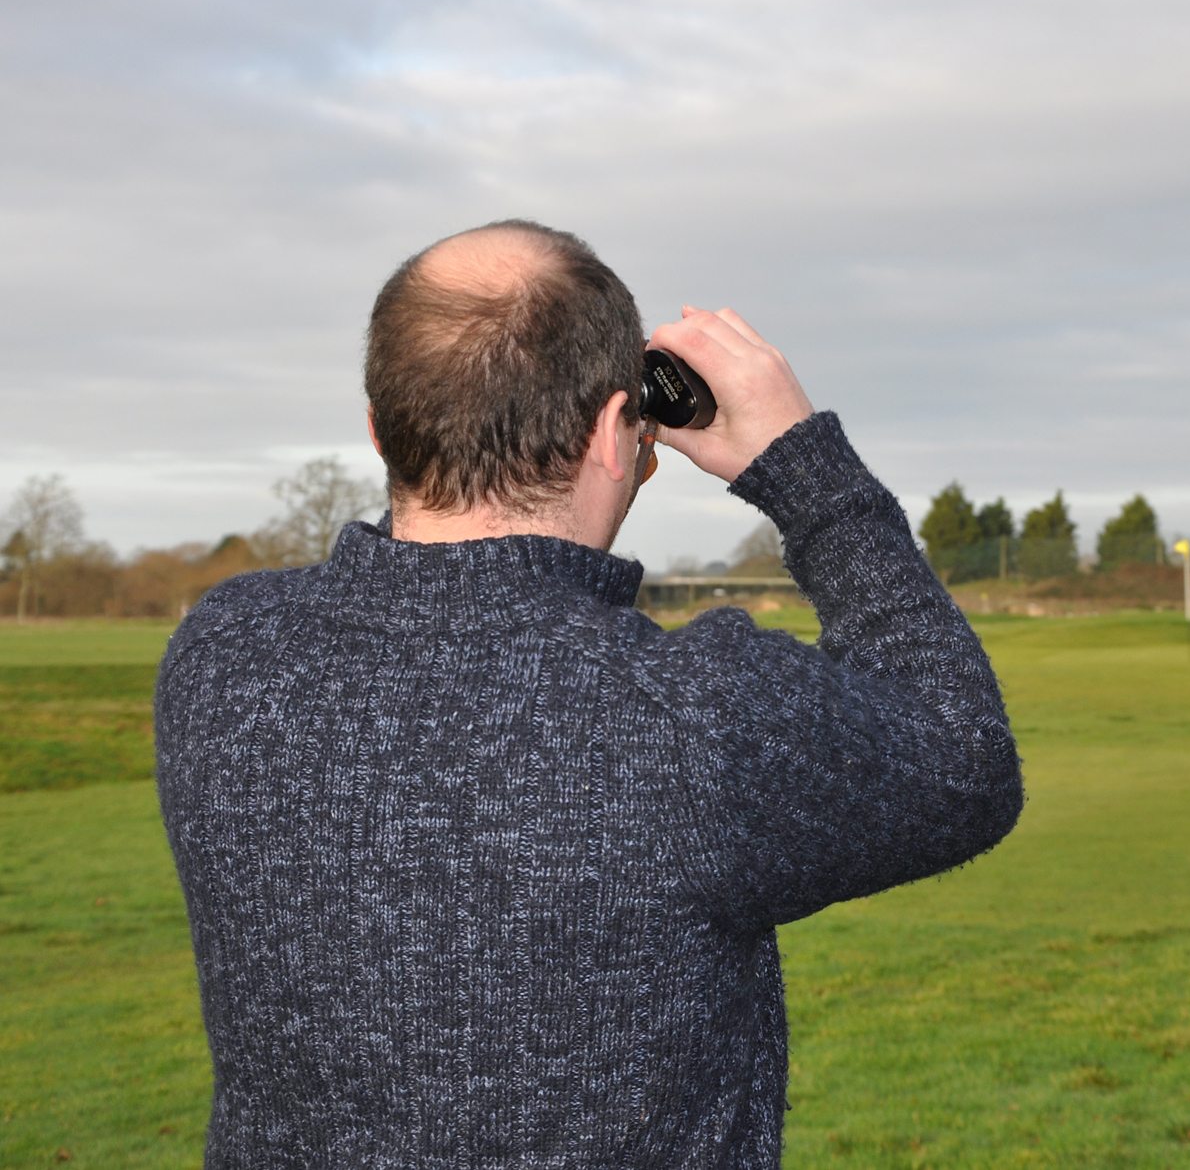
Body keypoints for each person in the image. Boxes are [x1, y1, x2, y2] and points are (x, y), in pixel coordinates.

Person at [155, 219, 1022, 1168]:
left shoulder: (226, 648)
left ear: (379, 430)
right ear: (618, 433)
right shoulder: (691, 714)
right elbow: (961, 758)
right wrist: (803, 465)